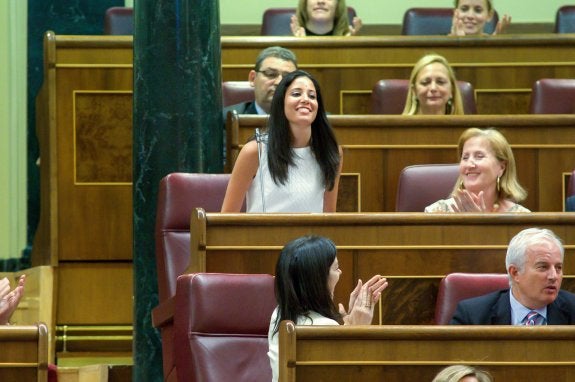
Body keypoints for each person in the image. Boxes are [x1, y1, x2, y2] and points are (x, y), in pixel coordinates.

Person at [267, 235, 388, 382]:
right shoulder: (324, 329)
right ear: (318, 280)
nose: (340, 272)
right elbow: (353, 375)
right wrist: (356, 330)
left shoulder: (279, 313)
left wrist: (345, 326)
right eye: (336, 268)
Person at [221, 70, 342, 213]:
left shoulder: (331, 152)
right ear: (281, 103)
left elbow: (329, 215)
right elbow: (227, 217)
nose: (305, 100)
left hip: (310, 235)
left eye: (312, 96)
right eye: (296, 94)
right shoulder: (254, 151)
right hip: (262, 235)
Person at [450, 228, 575, 325]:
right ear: (515, 273)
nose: (554, 276)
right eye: (543, 267)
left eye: (558, 268)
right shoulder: (472, 316)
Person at [425, 128, 529, 213]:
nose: (469, 164)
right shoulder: (436, 212)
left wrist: (480, 223)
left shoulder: (520, 217)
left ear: (501, 167)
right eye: (465, 157)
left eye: (479, 156)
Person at [222, 46, 298, 119]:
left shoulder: (305, 120)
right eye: (270, 74)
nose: (279, 82)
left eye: (287, 77)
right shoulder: (226, 119)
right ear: (253, 78)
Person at [290, 0, 362, 37]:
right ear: (305, 3)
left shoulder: (349, 40)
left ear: (338, 5)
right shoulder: (287, 45)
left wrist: (349, 48)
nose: (321, 1)